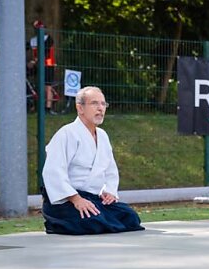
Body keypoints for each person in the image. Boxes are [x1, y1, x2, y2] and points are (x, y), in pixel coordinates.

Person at [41, 86, 143, 235]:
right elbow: (53, 172)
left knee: (130, 217)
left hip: (92, 199)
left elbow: (110, 170)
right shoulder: (66, 134)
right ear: (80, 108)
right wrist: (76, 199)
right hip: (66, 201)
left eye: (103, 104)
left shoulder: (102, 136)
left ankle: (94, 219)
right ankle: (55, 223)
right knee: (92, 221)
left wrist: (109, 192)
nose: (100, 108)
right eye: (94, 103)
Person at [28, 20, 56, 113]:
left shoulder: (49, 39)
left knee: (48, 87)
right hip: (38, 65)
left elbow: (45, 52)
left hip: (48, 65)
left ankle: (48, 108)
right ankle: (37, 105)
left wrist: (35, 61)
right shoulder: (33, 40)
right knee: (38, 85)